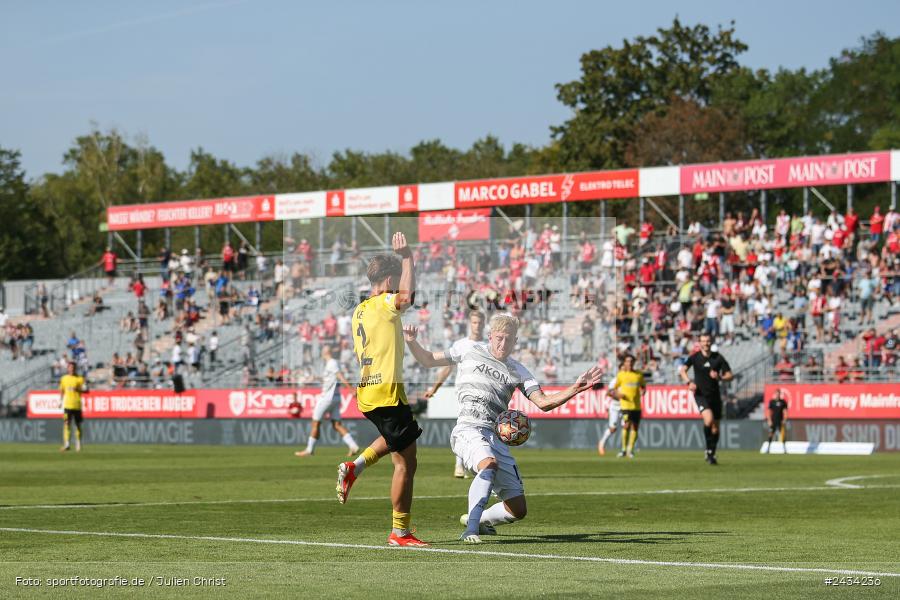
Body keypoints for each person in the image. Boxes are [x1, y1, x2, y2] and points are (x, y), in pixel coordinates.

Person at [403, 313, 602, 544]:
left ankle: (480, 519)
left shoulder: (519, 371)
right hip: (469, 429)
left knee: (517, 509)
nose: (502, 344)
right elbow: (428, 360)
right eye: (499, 338)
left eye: (508, 339)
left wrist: (575, 388)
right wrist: (411, 341)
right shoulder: (468, 349)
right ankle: (471, 529)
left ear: (515, 341)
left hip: (496, 437)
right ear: (490, 336)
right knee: (488, 464)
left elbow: (544, 403)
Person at [335, 232, 428, 547]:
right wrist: (408, 257)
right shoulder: (386, 302)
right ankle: (399, 532)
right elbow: (405, 298)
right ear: (388, 279)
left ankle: (355, 466)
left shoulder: (360, 310)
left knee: (397, 444)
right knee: (406, 461)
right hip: (386, 390)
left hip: (369, 391)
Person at [421, 310, 486, 478]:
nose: (477, 326)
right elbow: (447, 368)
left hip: (483, 394)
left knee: (478, 430)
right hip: (464, 393)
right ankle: (460, 466)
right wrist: (434, 389)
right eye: (474, 322)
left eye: (480, 323)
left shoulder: (488, 346)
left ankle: (470, 465)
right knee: (466, 427)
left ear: (484, 324)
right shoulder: (461, 345)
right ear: (469, 324)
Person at [679, 333, 733, 465]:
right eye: (703, 341)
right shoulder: (695, 357)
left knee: (716, 428)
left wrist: (720, 377)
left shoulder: (718, 358)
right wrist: (688, 382)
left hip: (715, 396)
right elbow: (682, 370)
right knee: (708, 420)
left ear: (711, 342)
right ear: (700, 343)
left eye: (708, 341)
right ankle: (709, 451)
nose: (706, 343)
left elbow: (730, 375)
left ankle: (711, 452)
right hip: (700, 395)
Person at [296, 345, 360, 458]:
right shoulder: (332, 364)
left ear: (325, 352)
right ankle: (353, 445)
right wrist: (316, 378)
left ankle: (309, 449)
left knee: (315, 423)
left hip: (327, 398)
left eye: (322, 351)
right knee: (337, 424)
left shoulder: (332, 363)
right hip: (335, 398)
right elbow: (331, 379)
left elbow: (340, 376)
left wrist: (350, 389)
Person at [607, 354, 646, 458]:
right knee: (626, 425)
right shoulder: (621, 375)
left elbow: (643, 387)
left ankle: (631, 450)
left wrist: (643, 391)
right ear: (624, 363)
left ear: (634, 363)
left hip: (636, 406)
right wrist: (617, 394)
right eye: (627, 361)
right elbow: (612, 389)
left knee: (635, 427)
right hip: (625, 406)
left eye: (631, 361)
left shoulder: (638, 374)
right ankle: (623, 449)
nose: (629, 363)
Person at [59, 362, 87, 452]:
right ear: (68, 368)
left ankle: (78, 443)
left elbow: (86, 390)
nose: (72, 369)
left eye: (73, 367)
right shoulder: (64, 379)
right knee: (67, 423)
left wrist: (78, 389)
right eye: (70, 367)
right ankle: (67, 444)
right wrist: (60, 401)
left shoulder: (80, 379)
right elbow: (62, 390)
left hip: (77, 405)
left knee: (78, 425)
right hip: (67, 405)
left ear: (75, 368)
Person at [597, 375, 622, 456]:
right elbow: (608, 393)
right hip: (615, 407)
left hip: (625, 406)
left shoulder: (628, 379)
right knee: (613, 429)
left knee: (626, 426)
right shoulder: (615, 380)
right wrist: (607, 408)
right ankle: (602, 443)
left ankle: (626, 449)